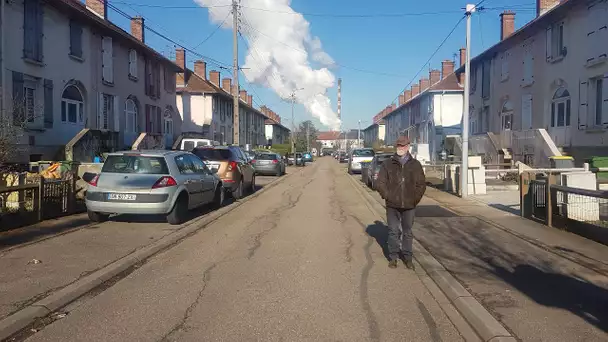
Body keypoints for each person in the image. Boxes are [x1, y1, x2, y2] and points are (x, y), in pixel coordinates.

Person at [375, 135, 426, 270]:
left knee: (407, 232)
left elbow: (421, 185)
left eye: (403, 146)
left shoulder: (415, 165)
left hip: (409, 205)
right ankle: (393, 257)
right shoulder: (387, 164)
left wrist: (414, 199)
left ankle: (408, 257)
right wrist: (388, 196)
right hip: (392, 205)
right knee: (393, 231)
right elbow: (380, 183)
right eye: (398, 145)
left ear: (408, 147)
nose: (400, 148)